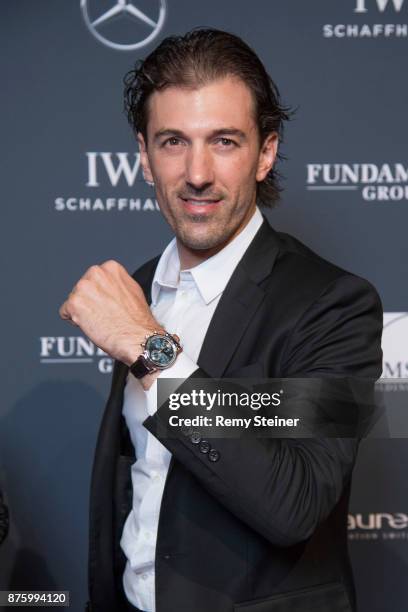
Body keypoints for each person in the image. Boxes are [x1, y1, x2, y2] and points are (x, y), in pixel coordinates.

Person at [59, 29, 383, 612]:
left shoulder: (337, 305)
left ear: (265, 153)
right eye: (173, 142)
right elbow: (141, 491)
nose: (198, 172)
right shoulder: (140, 289)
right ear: (143, 155)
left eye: (225, 141)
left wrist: (149, 347)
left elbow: (294, 504)